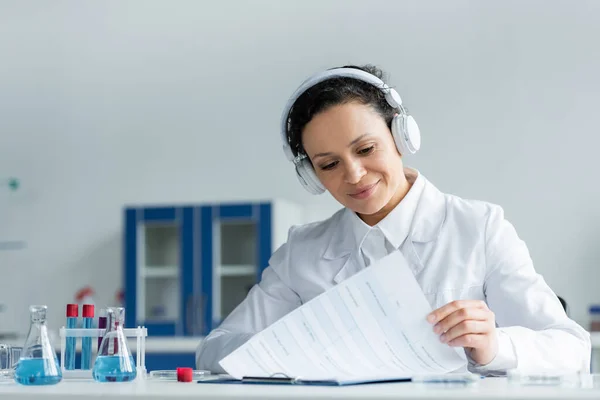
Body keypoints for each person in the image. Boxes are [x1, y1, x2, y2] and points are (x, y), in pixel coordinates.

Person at [196, 64, 590, 375]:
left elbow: (571, 348)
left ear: (402, 136)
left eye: (366, 148)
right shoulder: (304, 250)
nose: (353, 175)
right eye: (329, 164)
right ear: (311, 176)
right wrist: (296, 348)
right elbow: (216, 347)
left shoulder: (478, 227)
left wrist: (494, 346)